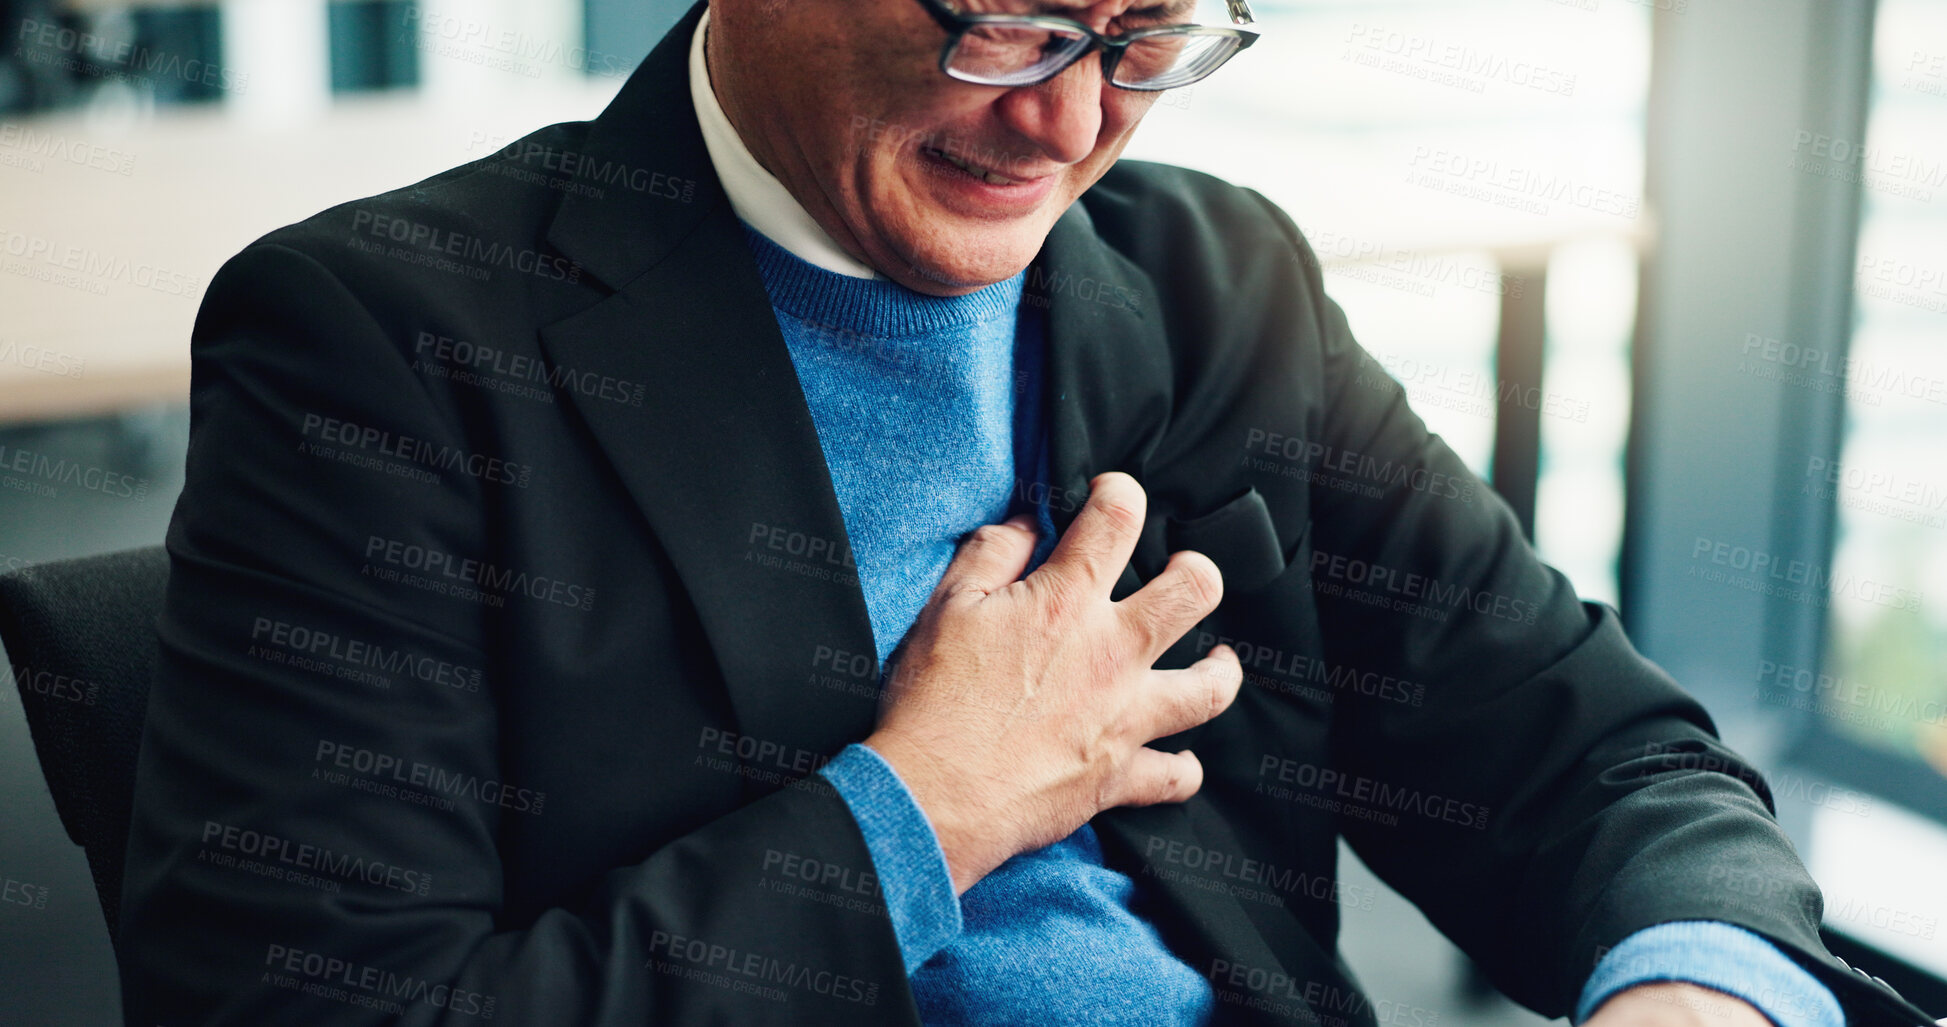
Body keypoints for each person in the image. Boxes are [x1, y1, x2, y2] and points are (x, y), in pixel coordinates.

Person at [118, 1, 1935, 1024]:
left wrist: (1693, 995)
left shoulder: (1220, 283)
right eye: (998, 22)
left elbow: (1596, 759)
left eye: (1146, 36)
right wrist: (927, 811)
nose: (1064, 124)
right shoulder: (382, 340)